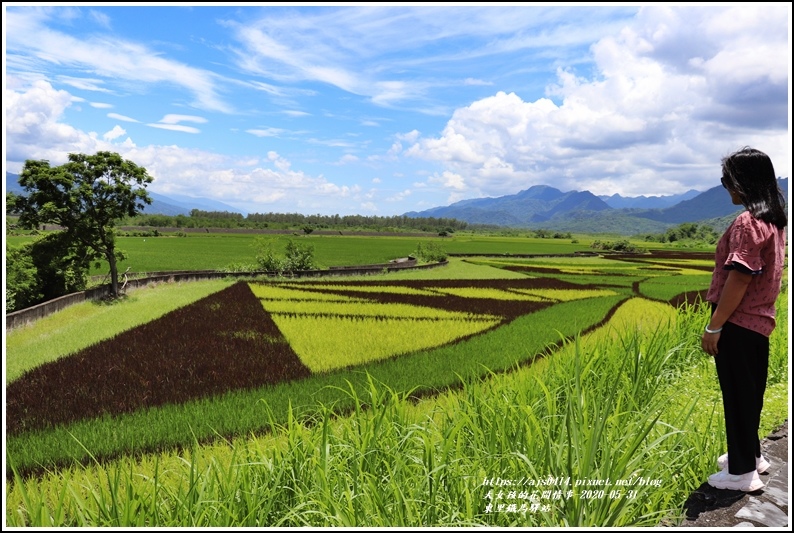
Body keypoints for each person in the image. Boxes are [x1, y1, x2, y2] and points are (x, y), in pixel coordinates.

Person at [701, 146, 787, 492]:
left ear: (743, 182)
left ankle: (740, 474)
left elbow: (739, 276)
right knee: (750, 393)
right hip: (760, 323)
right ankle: (752, 456)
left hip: (736, 323)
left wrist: (714, 325)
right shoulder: (773, 221)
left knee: (736, 395)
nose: (727, 189)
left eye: (728, 181)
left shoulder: (747, 223)